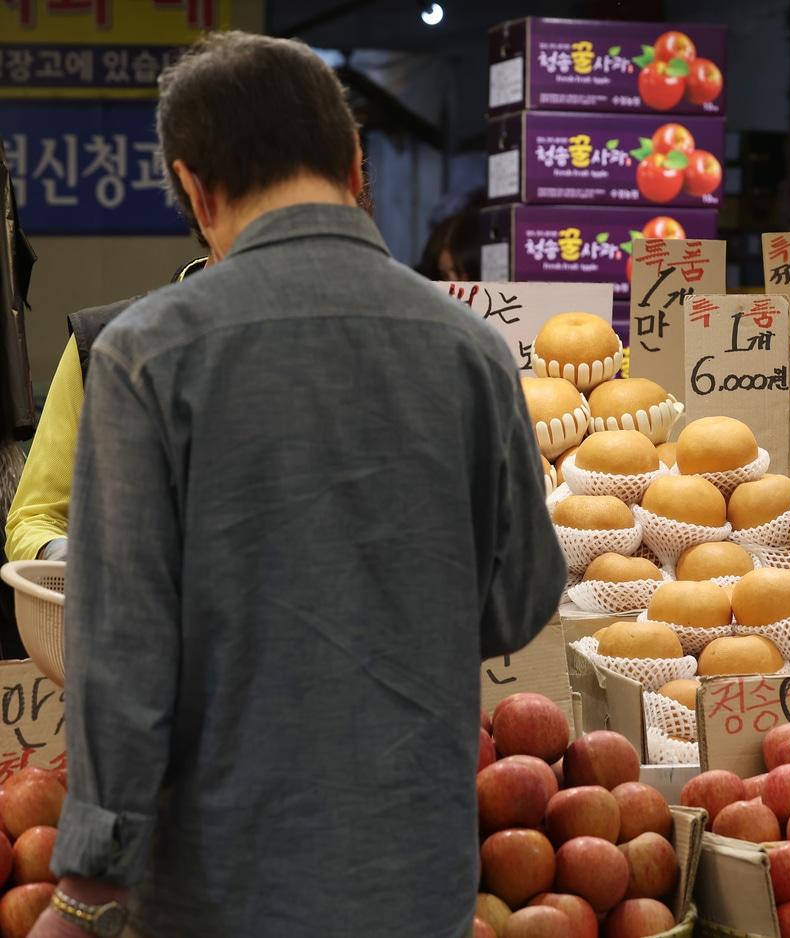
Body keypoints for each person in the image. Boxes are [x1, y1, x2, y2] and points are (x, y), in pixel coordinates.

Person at [33, 31, 564, 938]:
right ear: (356, 164)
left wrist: (88, 886)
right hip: (418, 874)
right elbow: (520, 600)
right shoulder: (470, 347)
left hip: (219, 885)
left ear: (195, 187)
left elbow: (124, 655)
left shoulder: (147, 354)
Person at [5, 257, 205, 567]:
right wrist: (57, 551)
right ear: (205, 209)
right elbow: (36, 517)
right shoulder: (106, 343)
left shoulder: (301, 342)